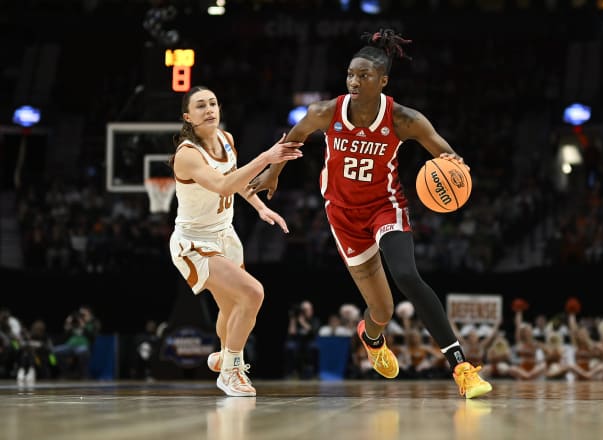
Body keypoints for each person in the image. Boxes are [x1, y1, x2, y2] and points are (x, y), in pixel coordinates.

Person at [247, 29, 491, 398]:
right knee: (382, 309)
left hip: (384, 207)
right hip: (343, 215)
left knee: (407, 274)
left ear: (383, 80)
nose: (354, 81)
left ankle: (460, 365)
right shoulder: (326, 112)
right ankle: (372, 339)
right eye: (350, 74)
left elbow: (442, 150)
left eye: (363, 75)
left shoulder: (404, 119)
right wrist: (273, 172)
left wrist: (454, 165)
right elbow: (293, 138)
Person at [168, 85, 303, 396]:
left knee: (231, 308)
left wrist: (260, 207)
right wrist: (268, 157)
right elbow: (224, 185)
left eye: (213, 103)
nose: (209, 109)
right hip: (194, 244)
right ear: (188, 117)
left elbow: (238, 179)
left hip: (225, 235)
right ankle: (230, 370)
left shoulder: (226, 140)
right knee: (253, 293)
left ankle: (224, 353)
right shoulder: (187, 155)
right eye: (200, 106)